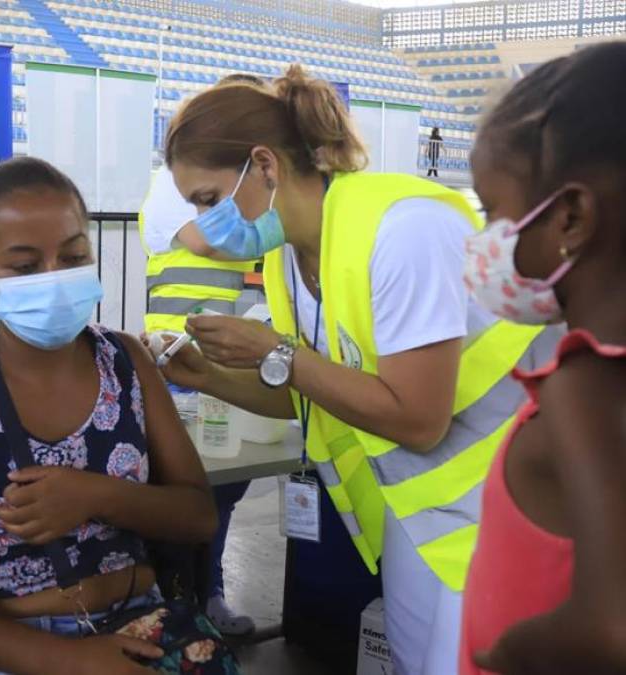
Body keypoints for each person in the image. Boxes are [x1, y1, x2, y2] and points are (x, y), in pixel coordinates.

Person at [156, 64, 559, 675]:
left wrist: (275, 353)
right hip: (416, 517)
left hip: (505, 513)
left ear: (264, 165)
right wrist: (208, 374)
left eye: (210, 200)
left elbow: (418, 418)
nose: (206, 226)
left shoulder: (403, 229)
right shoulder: (287, 260)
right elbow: (310, 394)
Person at [0, 157, 219, 675]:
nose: (55, 278)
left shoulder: (127, 362)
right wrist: (66, 660)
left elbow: (198, 516)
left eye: (73, 255)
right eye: (25, 266)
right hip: (14, 648)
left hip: (144, 626)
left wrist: (96, 495)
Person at [459, 42, 626, 675]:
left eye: (491, 209)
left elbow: (615, 629)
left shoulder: (584, 389)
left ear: (571, 219)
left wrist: (505, 654)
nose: (484, 242)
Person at [140, 72, 266, 636]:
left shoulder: (253, 200)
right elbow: (212, 241)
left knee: (225, 490)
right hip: (174, 365)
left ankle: (207, 592)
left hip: (227, 364)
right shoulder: (171, 186)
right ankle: (174, 602)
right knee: (178, 494)